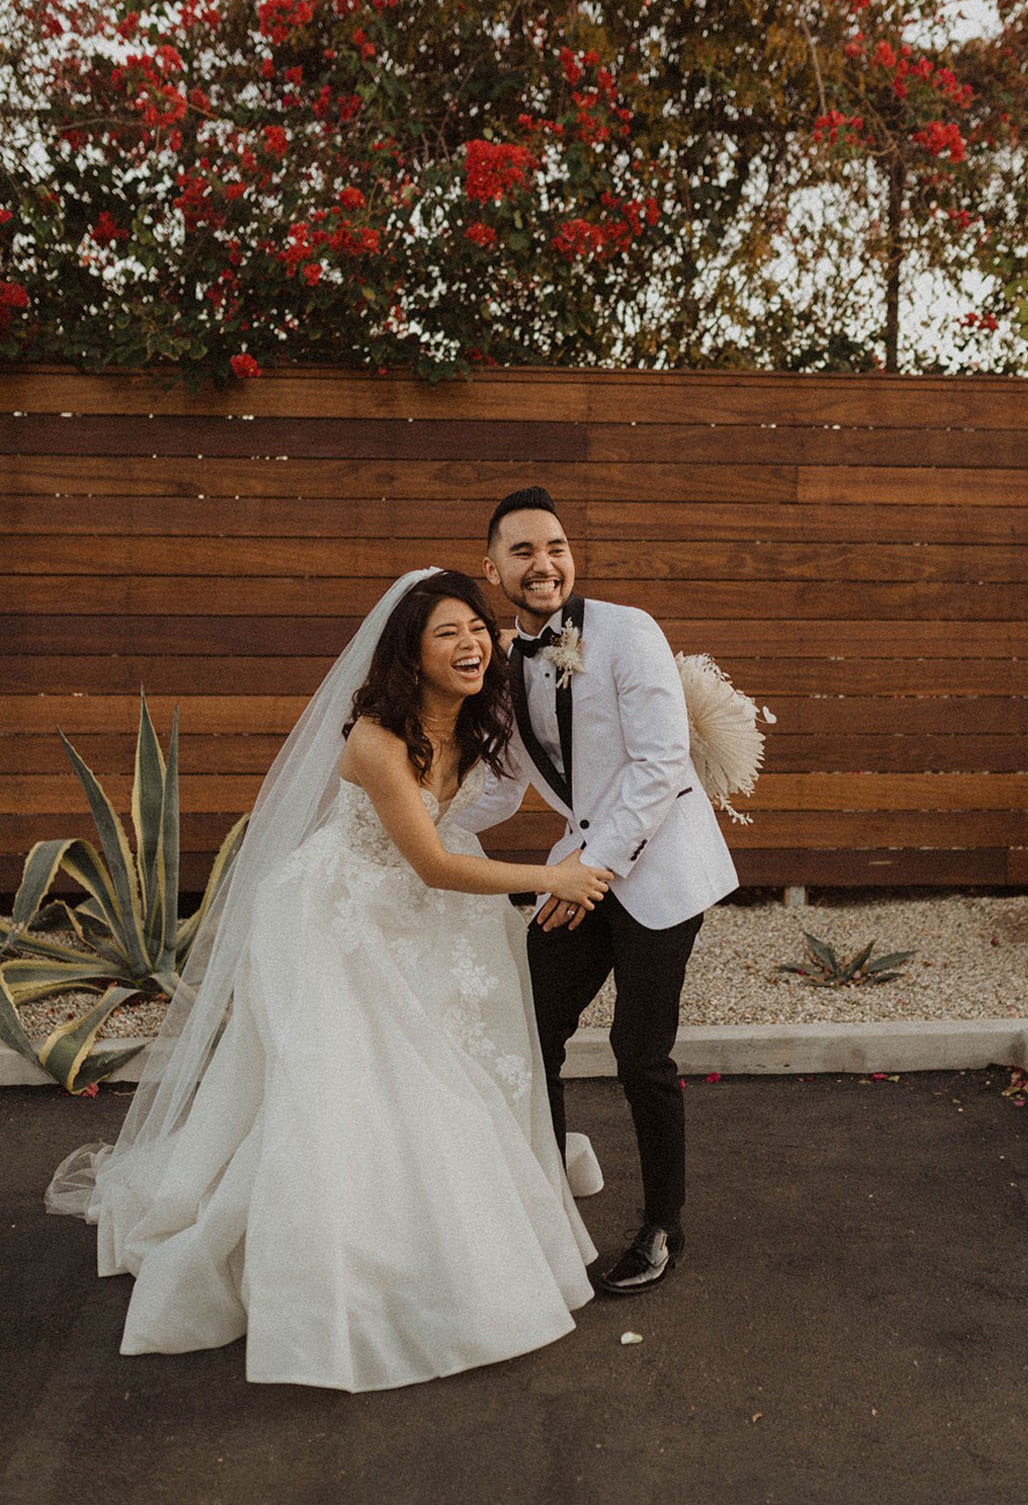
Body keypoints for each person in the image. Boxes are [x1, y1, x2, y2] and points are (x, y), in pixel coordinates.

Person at [46, 569, 613, 1393]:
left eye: (477, 629)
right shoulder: (377, 740)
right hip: (338, 921)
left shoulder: (482, 723)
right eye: (446, 633)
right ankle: (340, 1277)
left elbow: (491, 813)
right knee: (352, 1091)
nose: (471, 645)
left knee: (446, 1079)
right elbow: (432, 861)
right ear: (409, 654)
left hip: (425, 917)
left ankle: (433, 1239)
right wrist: (552, 878)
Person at [458, 490, 739, 1294]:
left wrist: (590, 874)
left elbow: (659, 765)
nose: (542, 563)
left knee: (639, 1052)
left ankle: (662, 1227)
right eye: (522, 551)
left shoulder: (628, 629)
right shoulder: (507, 664)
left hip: (661, 866)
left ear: (569, 554)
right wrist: (417, 817)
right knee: (529, 1031)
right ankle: (545, 1209)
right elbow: (509, 784)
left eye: (554, 546)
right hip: (581, 866)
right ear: (493, 568)